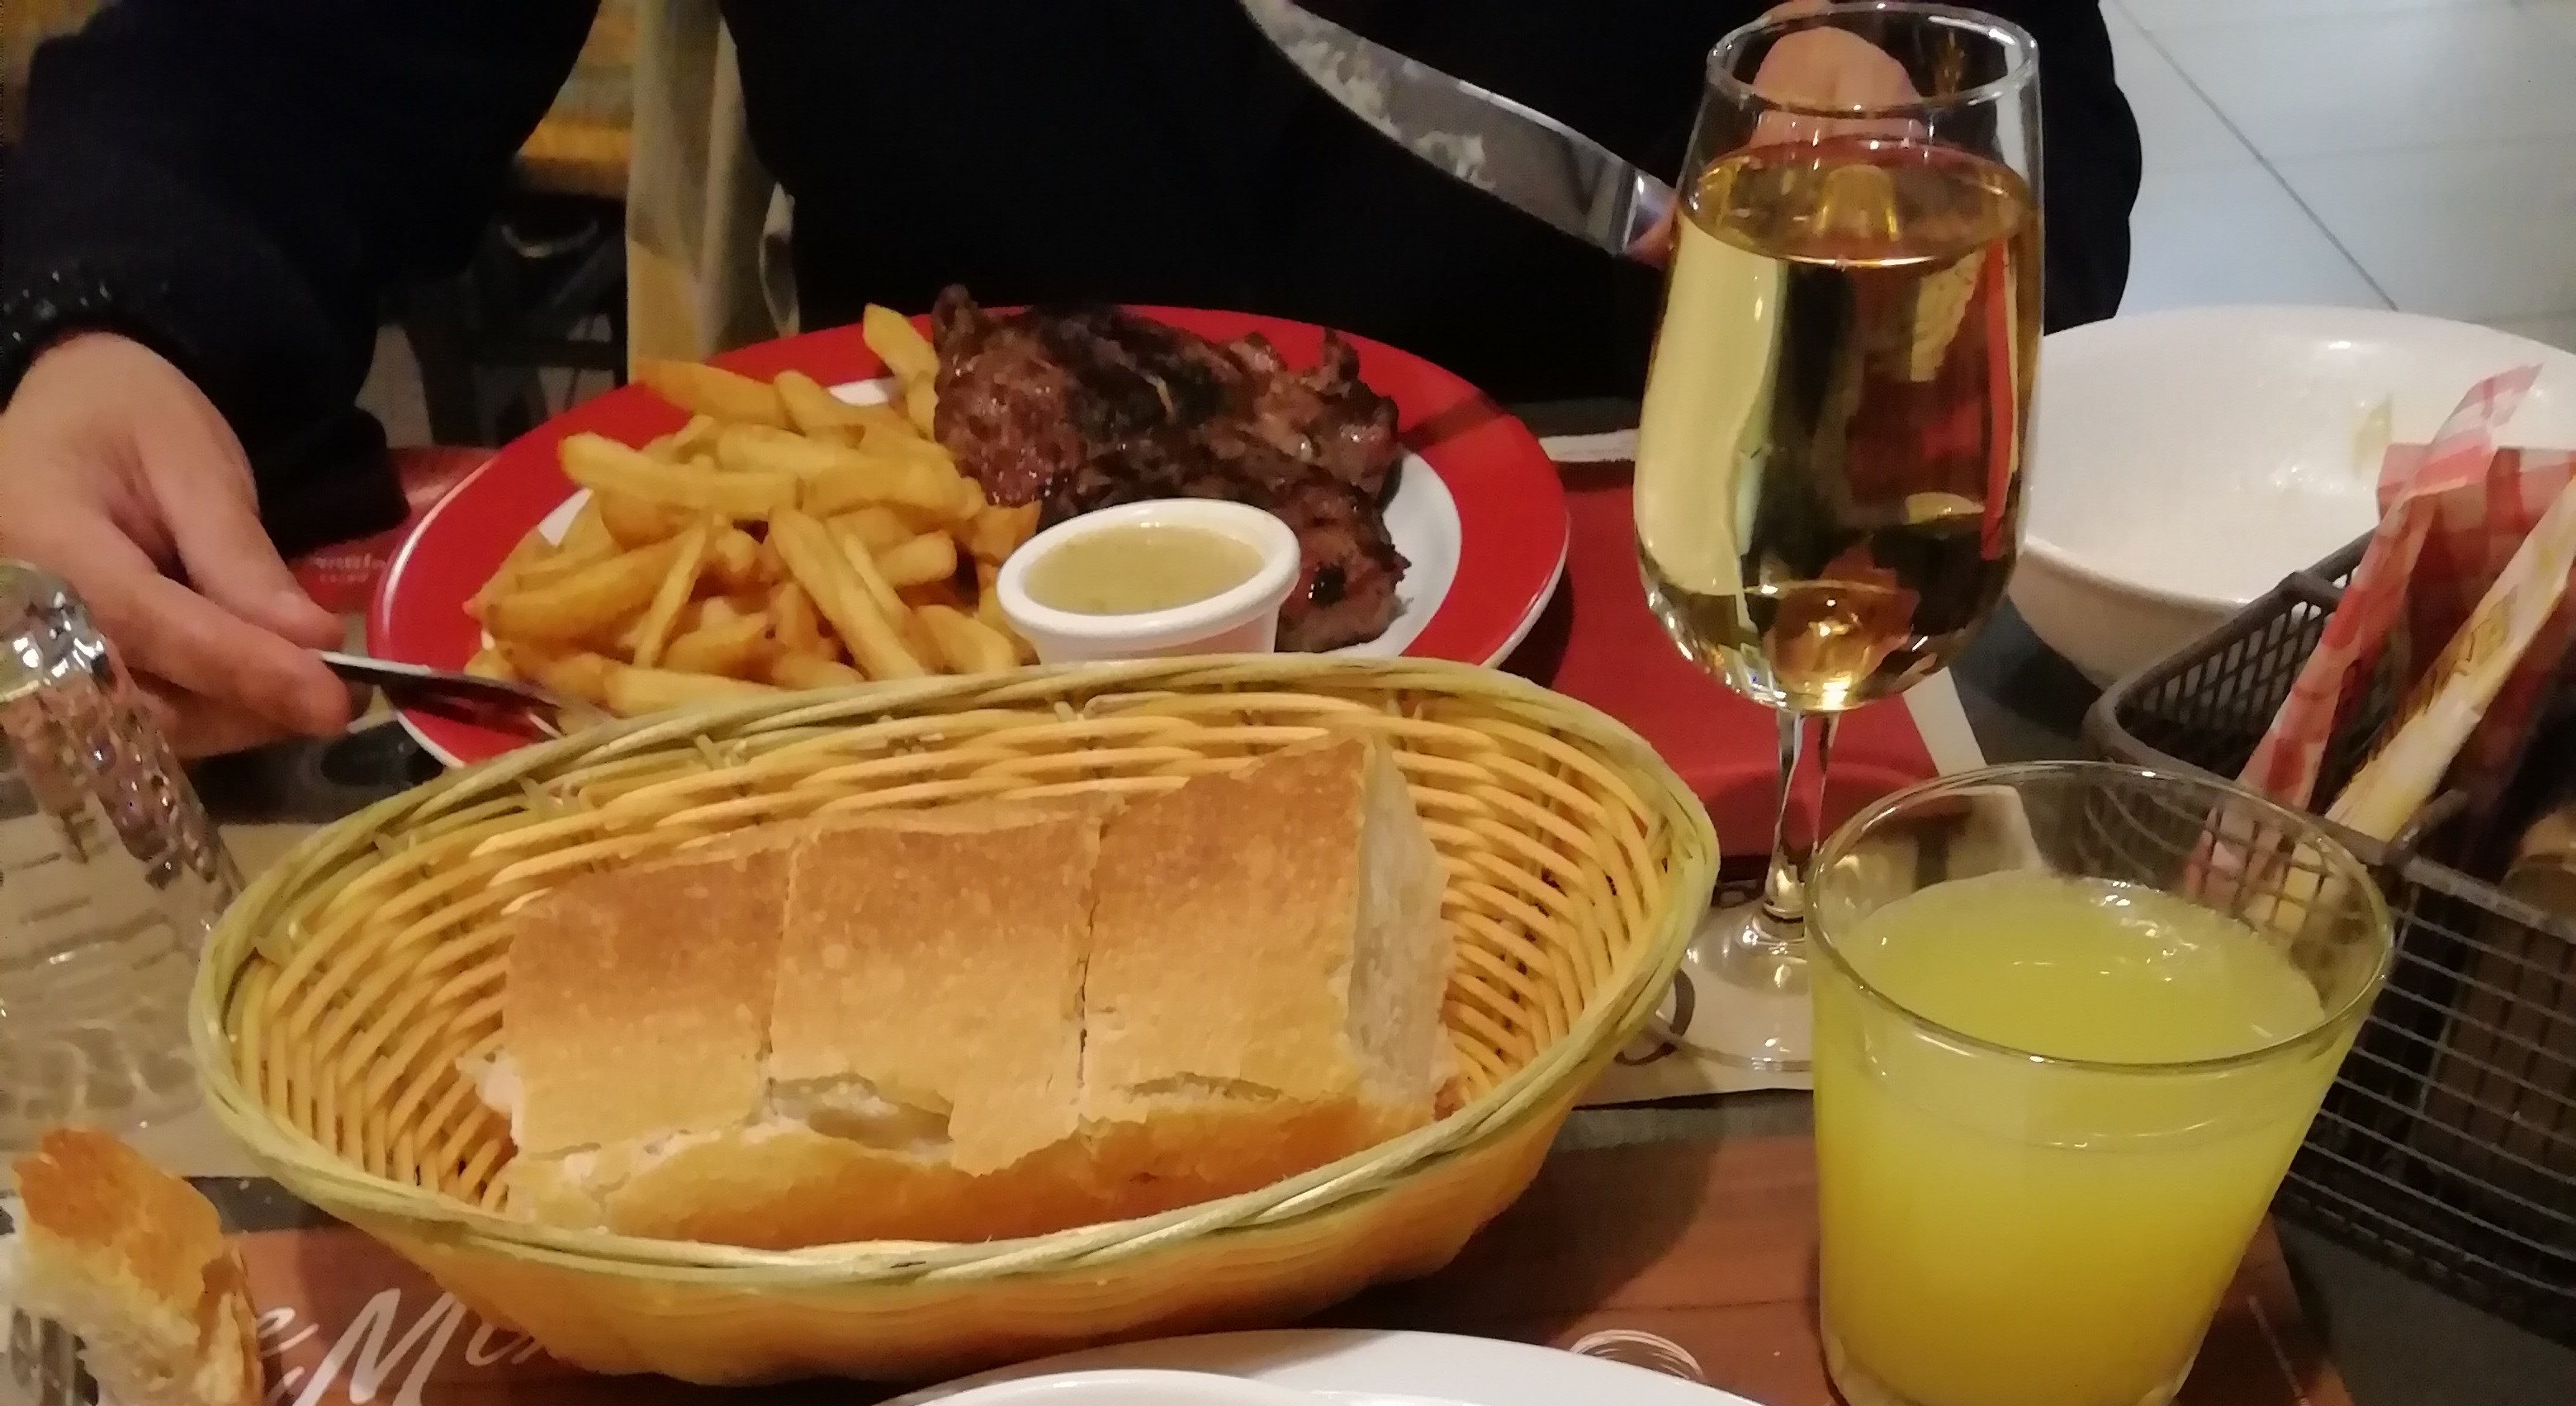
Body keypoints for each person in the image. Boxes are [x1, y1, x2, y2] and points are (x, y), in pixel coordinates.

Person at [0, 2, 2138, 755]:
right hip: (915, 704)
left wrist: (1886, 71)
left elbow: (2049, 153)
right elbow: (280, 59)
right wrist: (111, 319)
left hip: (1619, 624)